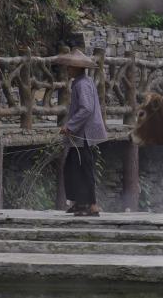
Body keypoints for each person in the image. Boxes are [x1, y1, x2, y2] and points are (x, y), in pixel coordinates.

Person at [56, 49, 107, 216]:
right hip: (81, 134)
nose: (68, 69)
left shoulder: (82, 84)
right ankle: (80, 202)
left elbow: (86, 109)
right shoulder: (82, 81)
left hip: (84, 134)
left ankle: (91, 205)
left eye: (70, 67)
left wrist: (69, 126)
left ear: (77, 68)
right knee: (72, 167)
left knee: (84, 168)